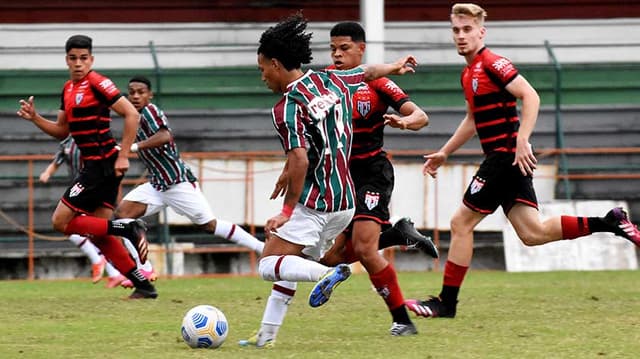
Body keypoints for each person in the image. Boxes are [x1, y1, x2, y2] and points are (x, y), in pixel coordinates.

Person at [404, 3, 640, 319]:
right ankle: (609, 223)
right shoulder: (468, 73)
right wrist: (446, 152)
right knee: (533, 234)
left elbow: (530, 95)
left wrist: (522, 138)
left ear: (481, 32)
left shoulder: (493, 63)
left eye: (467, 29)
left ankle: (447, 303)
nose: (461, 36)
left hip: (503, 158)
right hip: (506, 161)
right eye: (456, 30)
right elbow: (473, 119)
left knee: (461, 223)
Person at [240, 21, 436, 347]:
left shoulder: (286, 108)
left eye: (262, 68)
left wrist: (287, 211)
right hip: (345, 202)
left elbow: (301, 159)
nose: (262, 76)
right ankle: (266, 336)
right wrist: (395, 66)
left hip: (318, 201)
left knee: (268, 264)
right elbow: (369, 72)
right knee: (297, 262)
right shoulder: (330, 80)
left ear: (275, 64)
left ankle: (335, 282)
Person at [17, 34, 157, 299]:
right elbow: (61, 131)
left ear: (91, 59)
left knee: (60, 221)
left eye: (83, 58)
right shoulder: (68, 89)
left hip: (101, 164)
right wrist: (35, 118)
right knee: (100, 234)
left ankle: (128, 228)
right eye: (73, 58)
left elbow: (131, 114)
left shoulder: (98, 82)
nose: (78, 63)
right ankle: (143, 285)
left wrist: (124, 155)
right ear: (67, 60)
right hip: (95, 166)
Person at [112, 75, 265, 288]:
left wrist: (133, 148)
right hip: (158, 184)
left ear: (150, 95)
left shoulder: (151, 111)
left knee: (210, 225)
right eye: (132, 92)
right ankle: (143, 268)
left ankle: (261, 249)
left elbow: (165, 136)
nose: (136, 96)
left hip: (177, 182)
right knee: (122, 215)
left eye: (141, 92)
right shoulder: (133, 118)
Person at [39, 135, 126, 288]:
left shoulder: (92, 140)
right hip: (77, 190)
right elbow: (57, 161)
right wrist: (47, 173)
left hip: (92, 189)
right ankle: (114, 272)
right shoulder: (66, 143)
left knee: (84, 229)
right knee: (80, 229)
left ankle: (116, 267)